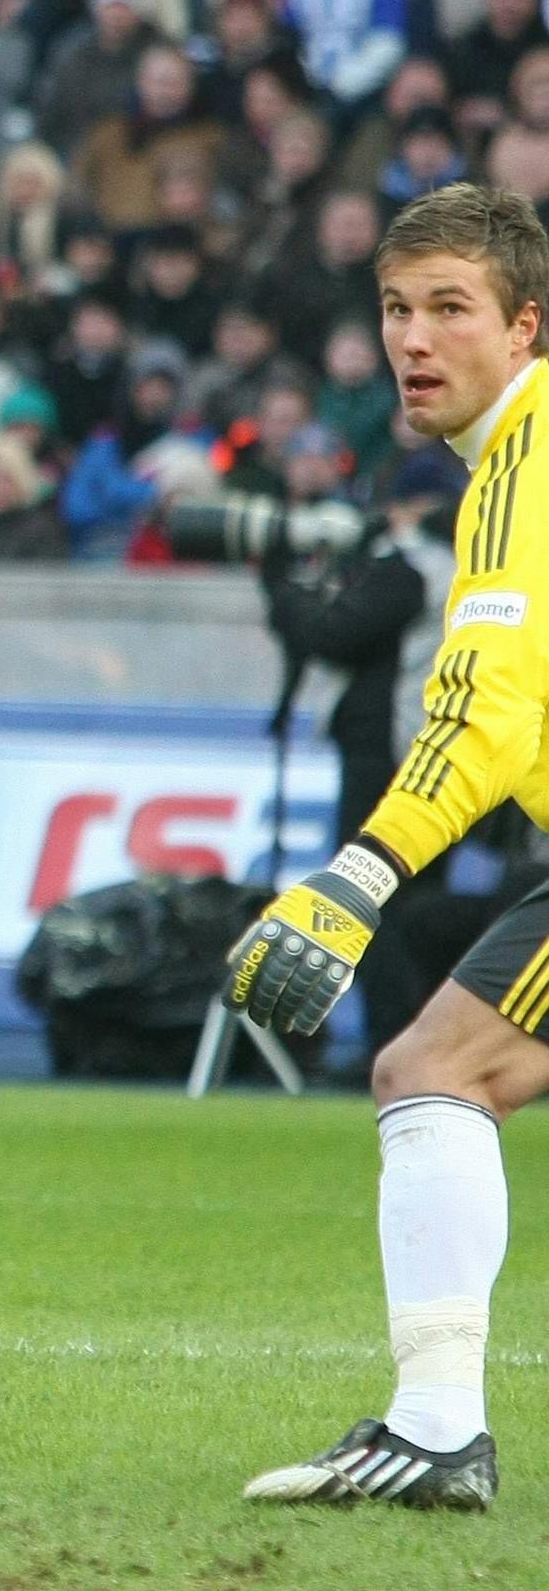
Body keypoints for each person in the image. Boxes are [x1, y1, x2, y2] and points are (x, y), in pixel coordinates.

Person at [226, 183, 549, 1508]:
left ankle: (434, 1431)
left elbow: (485, 712)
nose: (415, 340)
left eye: (451, 310)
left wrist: (352, 880)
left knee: (432, 1072)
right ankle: (434, 1434)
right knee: (439, 1070)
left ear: (527, 326)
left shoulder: (530, 465)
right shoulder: (503, 465)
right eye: (396, 310)